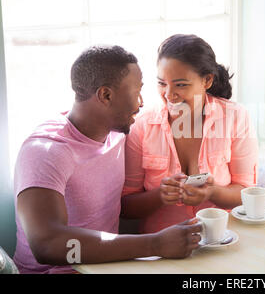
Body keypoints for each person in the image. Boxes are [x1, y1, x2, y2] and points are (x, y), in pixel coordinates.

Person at [13, 45, 202, 274]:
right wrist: (155, 244)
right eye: (136, 92)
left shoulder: (116, 133)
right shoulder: (46, 151)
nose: (141, 102)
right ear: (106, 95)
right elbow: (46, 244)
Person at [120, 34, 259, 233]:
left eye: (181, 85)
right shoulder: (141, 126)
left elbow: (247, 192)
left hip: (223, 237)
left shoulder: (234, 117)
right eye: (162, 83)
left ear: (207, 81)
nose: (169, 94)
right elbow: (125, 206)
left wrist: (212, 192)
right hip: (162, 245)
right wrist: (159, 195)